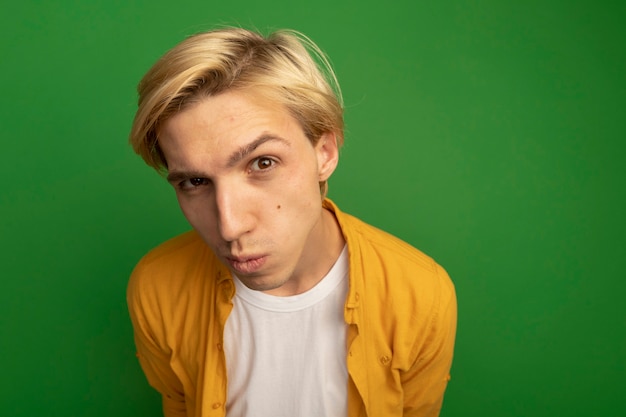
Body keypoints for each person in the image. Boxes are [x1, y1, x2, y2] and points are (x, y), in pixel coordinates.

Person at [127, 27, 457, 417]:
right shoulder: (157, 287)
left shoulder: (420, 296)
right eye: (194, 182)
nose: (230, 227)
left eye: (262, 163)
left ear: (325, 152)